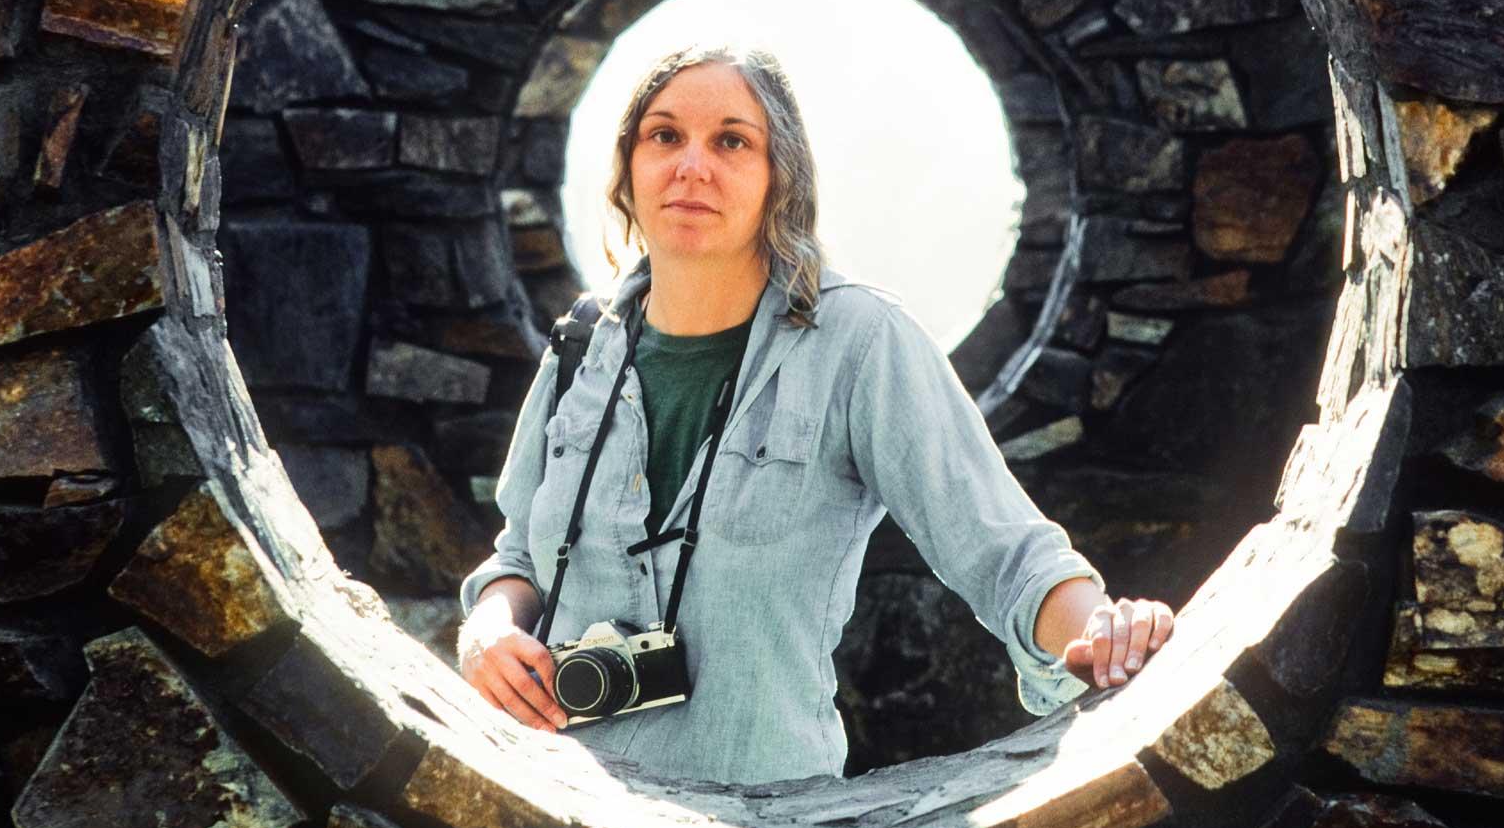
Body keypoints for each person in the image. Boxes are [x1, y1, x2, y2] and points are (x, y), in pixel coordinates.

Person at [454, 42, 1176, 785]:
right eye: (664, 136)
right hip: (548, 804)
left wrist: (1100, 633)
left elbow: (1007, 553)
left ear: (780, 180)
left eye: (732, 141)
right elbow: (518, 560)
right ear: (627, 171)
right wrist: (485, 630)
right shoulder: (578, 347)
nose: (691, 166)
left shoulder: (861, 344)